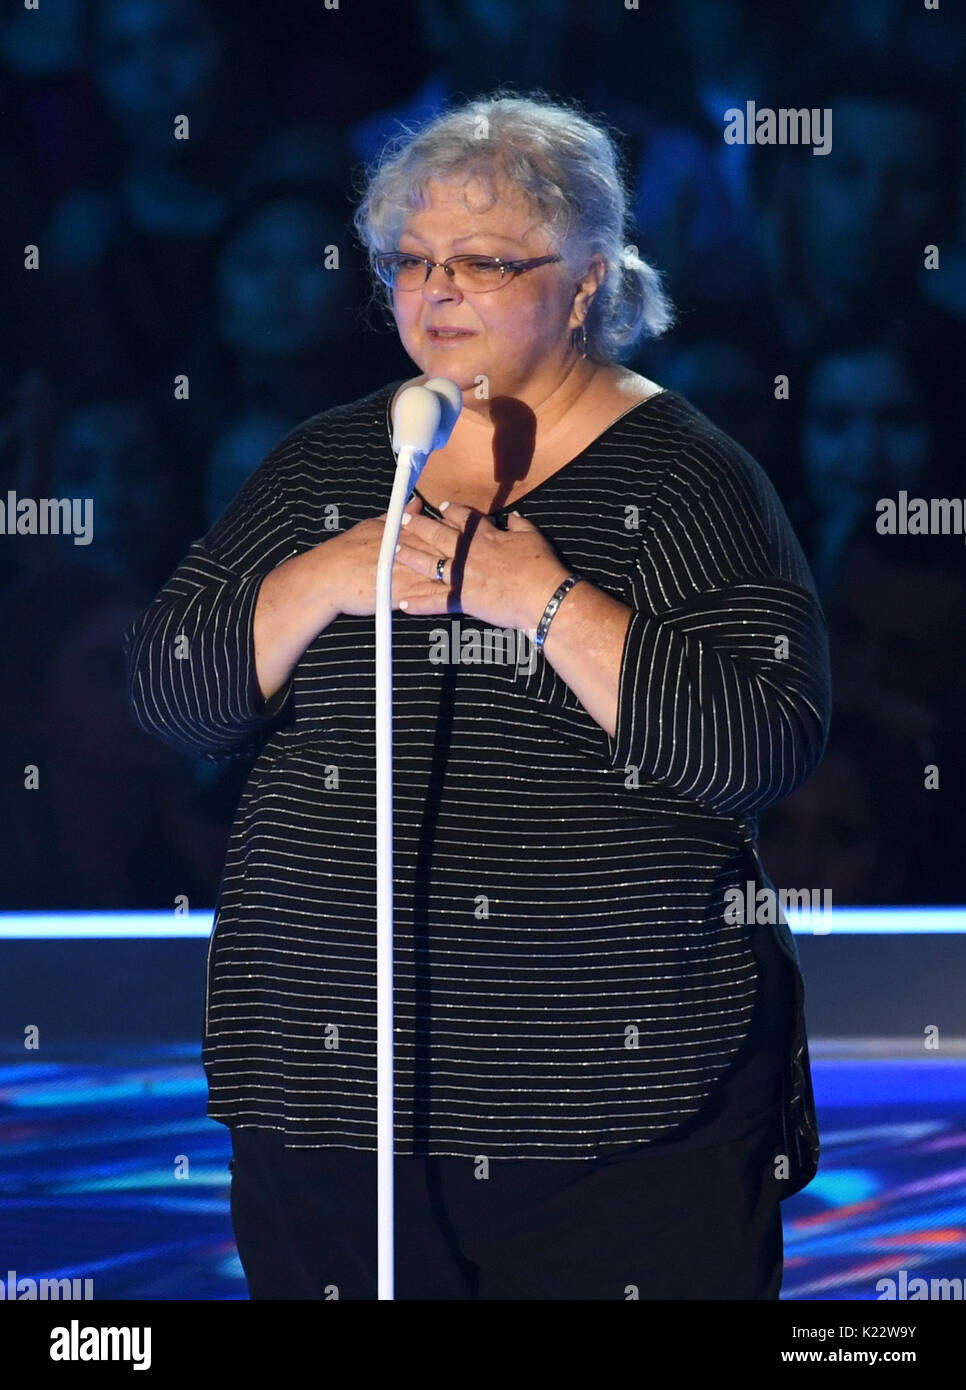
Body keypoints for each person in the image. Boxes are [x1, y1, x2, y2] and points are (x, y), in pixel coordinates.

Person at [124, 93, 831, 1300]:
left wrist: (544, 601)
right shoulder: (331, 462)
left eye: (484, 261)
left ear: (589, 281)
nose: (436, 289)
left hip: (618, 1133)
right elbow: (172, 696)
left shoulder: (689, 477)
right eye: (410, 261)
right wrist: (318, 577)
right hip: (330, 1106)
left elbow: (757, 741)